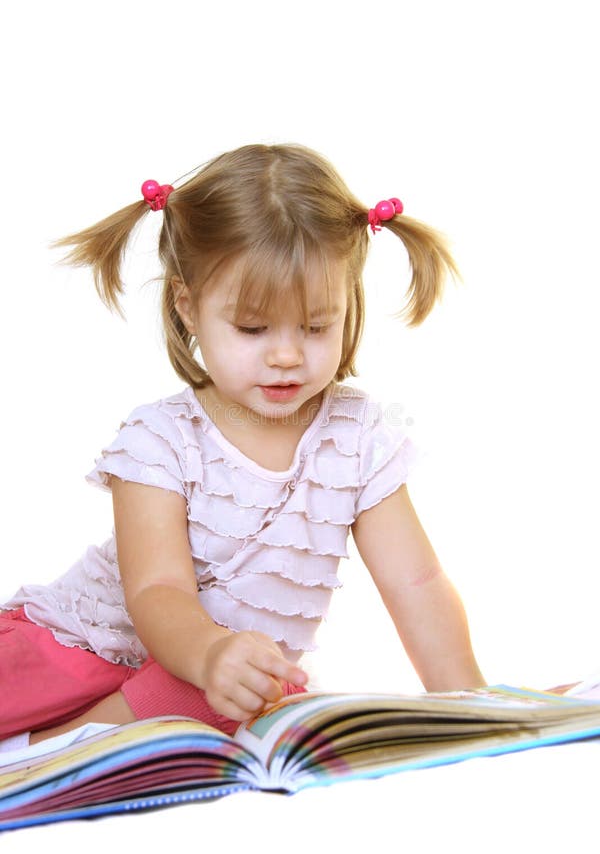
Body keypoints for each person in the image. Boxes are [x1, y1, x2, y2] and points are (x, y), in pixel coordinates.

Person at [0, 143, 485, 759]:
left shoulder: (359, 439)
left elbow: (417, 582)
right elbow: (158, 592)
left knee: (242, 692)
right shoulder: (160, 441)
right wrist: (208, 653)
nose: (286, 355)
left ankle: (62, 751)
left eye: (315, 326)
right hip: (72, 653)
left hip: (193, 687)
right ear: (189, 308)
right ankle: (43, 748)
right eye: (253, 329)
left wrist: (469, 706)